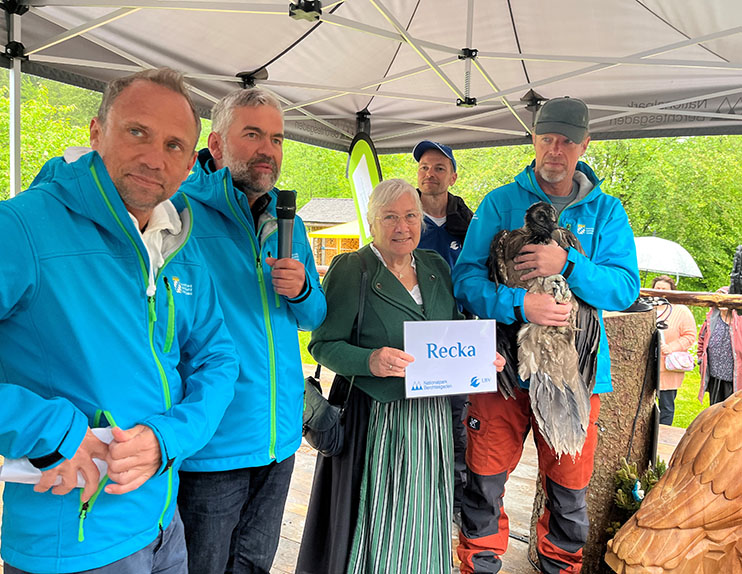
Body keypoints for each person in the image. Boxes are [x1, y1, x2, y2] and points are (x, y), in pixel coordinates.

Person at [0, 68, 239, 574]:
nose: (155, 158)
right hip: (73, 542)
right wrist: (51, 429)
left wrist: (168, 438)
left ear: (191, 162)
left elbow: (219, 359)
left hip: (162, 526)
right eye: (137, 132)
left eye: (175, 145)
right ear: (95, 132)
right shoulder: (22, 228)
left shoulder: (179, 241)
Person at [452, 96, 640, 574]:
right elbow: (465, 281)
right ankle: (479, 563)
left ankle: (560, 565)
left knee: (570, 489)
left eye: (566, 141)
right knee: (485, 478)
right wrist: (519, 304)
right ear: (534, 140)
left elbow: (624, 289)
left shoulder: (606, 212)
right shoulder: (499, 203)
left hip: (574, 374)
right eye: (546, 138)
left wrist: (567, 265)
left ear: (584, 145)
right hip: (501, 370)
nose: (555, 150)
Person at [295, 179, 505, 574]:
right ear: (373, 222)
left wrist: (478, 358)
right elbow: (322, 344)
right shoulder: (352, 268)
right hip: (375, 419)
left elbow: (451, 332)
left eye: (410, 216)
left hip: (430, 420)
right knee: (378, 516)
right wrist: (369, 360)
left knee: (424, 515)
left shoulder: (436, 267)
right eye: (390, 217)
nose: (402, 226)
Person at [174, 87, 326, 574]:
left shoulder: (291, 223)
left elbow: (314, 316)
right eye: (253, 135)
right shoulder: (180, 214)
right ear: (216, 145)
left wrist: (302, 290)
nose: (268, 150)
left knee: (256, 565)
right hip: (213, 444)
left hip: (279, 440)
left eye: (278, 139)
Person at [413, 139, 474, 523]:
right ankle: (413, 494)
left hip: (457, 337)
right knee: (414, 415)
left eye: (438, 167)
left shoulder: (470, 224)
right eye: (423, 167)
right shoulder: (402, 216)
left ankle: (453, 499)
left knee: (457, 419)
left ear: (452, 175)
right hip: (412, 332)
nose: (429, 174)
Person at [652, 275, 697, 424]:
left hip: (667, 367)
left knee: (666, 406)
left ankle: (663, 436)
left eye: (664, 289)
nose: (660, 291)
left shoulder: (681, 311)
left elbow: (690, 336)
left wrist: (670, 347)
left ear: (671, 291)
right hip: (647, 365)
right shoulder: (647, 308)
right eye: (657, 288)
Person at [698, 286, 742, 405]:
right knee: (714, 408)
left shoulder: (740, 320)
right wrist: (701, 359)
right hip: (714, 373)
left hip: (733, 375)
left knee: (731, 408)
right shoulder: (711, 318)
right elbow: (701, 339)